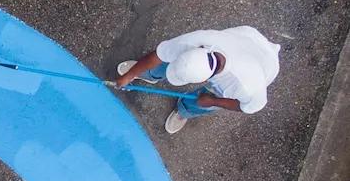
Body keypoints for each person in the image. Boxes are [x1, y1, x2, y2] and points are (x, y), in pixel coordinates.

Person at [115, 25, 281, 134]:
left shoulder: (245, 87)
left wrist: (214, 102)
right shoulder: (200, 40)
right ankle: (150, 74)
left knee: (207, 100)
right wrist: (129, 75)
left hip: (265, 64)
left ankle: (185, 110)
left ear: (206, 78)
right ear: (201, 49)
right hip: (248, 37)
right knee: (171, 58)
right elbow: (160, 54)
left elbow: (250, 106)